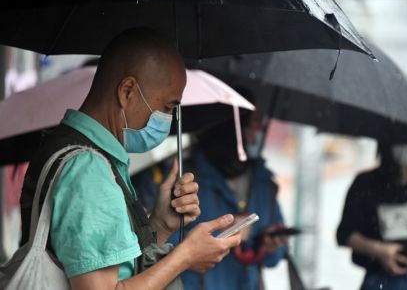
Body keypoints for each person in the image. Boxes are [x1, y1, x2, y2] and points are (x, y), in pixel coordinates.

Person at [19, 28, 241, 290]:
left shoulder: (72, 149)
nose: (167, 120)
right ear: (127, 91)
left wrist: (159, 224)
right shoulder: (88, 171)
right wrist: (185, 257)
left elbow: (117, 268)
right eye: (168, 107)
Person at [169, 105, 288, 290]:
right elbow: (159, 249)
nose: (257, 135)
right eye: (253, 125)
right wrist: (220, 236)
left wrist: (272, 246)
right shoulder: (185, 180)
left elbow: (274, 259)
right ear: (230, 130)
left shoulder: (264, 183)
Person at [337, 141, 407, 290]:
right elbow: (345, 233)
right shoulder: (367, 183)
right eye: (400, 138)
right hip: (379, 278)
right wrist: (378, 250)